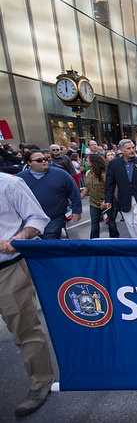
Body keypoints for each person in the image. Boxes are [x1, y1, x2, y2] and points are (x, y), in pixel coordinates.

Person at [0, 173, 55, 417]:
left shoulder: (9, 184)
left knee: (25, 328)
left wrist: (20, 237)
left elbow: (36, 217)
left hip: (8, 268)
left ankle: (40, 383)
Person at [16, 151, 82, 238]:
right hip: (30, 218)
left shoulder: (61, 174)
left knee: (49, 239)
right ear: (29, 163)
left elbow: (74, 192)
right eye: (39, 160)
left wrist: (76, 210)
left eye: (45, 159)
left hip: (54, 216)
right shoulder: (20, 178)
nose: (44, 161)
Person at [104, 139, 137, 238]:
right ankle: (136, 247)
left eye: (133, 148)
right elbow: (110, 184)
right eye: (128, 148)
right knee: (131, 225)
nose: (132, 150)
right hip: (125, 199)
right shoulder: (114, 164)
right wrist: (108, 200)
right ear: (121, 150)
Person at [81, 154, 119, 238]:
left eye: (87, 160)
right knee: (94, 222)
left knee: (110, 222)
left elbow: (109, 187)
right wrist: (79, 198)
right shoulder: (88, 173)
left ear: (93, 161)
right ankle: (94, 240)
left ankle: (114, 239)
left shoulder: (103, 173)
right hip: (94, 202)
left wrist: (106, 200)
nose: (86, 162)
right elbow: (87, 188)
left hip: (106, 201)